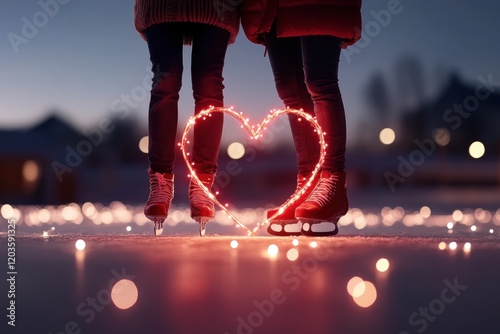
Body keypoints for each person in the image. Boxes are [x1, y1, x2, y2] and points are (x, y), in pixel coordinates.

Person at [241, 0, 362, 236]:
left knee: (320, 82)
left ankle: (331, 182)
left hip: (314, 4)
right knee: (291, 91)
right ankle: (308, 183)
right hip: (273, 7)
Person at [134, 0, 240, 236]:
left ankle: (202, 182)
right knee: (165, 81)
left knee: (209, 84)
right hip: (161, 7)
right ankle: (161, 180)